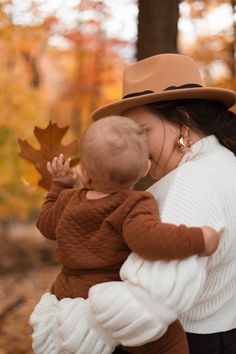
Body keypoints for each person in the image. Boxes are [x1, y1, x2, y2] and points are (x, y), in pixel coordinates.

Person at [30, 53, 236, 354]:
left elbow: (147, 302)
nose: (135, 149)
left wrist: (65, 323)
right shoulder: (226, 163)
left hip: (184, 341)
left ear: (183, 122)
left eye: (141, 132)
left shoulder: (191, 182)